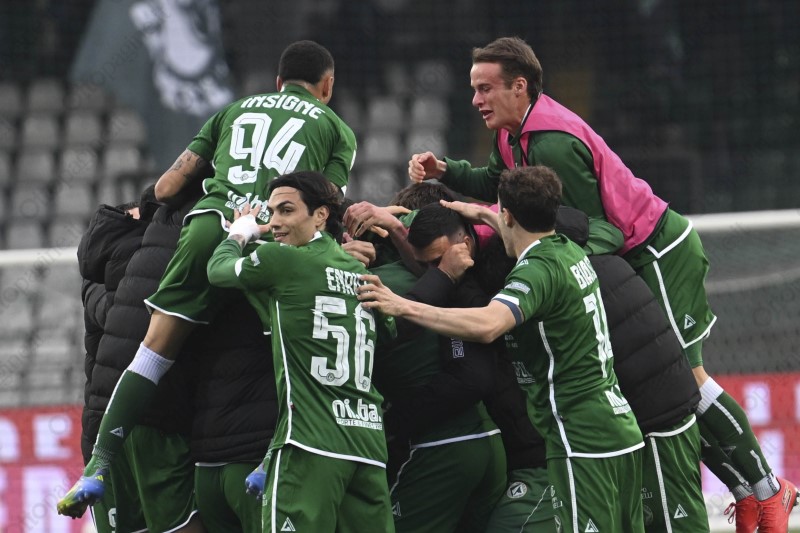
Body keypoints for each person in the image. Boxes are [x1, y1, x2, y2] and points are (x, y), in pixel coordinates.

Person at [407, 36, 798, 531]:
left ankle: (768, 487)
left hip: (657, 251)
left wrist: (547, 258)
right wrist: (448, 171)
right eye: (474, 88)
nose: (475, 100)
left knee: (684, 380)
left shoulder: (552, 143)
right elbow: (496, 181)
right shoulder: (512, 134)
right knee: (661, 389)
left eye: (485, 89)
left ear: (519, 87)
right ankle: (746, 491)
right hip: (624, 260)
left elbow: (598, 230)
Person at [57, 39, 357, 516]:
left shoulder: (232, 111)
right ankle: (270, 461)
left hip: (208, 225)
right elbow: (328, 206)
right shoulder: (336, 129)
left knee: (154, 349)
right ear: (328, 85)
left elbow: (167, 187)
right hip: (267, 234)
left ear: (279, 82)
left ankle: (98, 463)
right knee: (287, 349)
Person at [360, 166, 645, 532]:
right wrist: (480, 214)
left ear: (507, 215)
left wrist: (403, 306)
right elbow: (519, 229)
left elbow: (488, 324)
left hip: (579, 432)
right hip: (617, 425)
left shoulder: (536, 271)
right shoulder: (567, 249)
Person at [207, 171, 395, 533]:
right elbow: (388, 332)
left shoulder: (284, 261)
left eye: (286, 210)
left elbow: (217, 271)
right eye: (271, 212)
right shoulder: (362, 273)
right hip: (367, 443)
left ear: (320, 215)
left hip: (309, 441)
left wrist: (240, 232)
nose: (274, 222)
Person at [77, 189, 201, 532]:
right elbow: (134, 317)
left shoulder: (97, 279)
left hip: (104, 422)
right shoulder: (140, 274)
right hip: (150, 418)